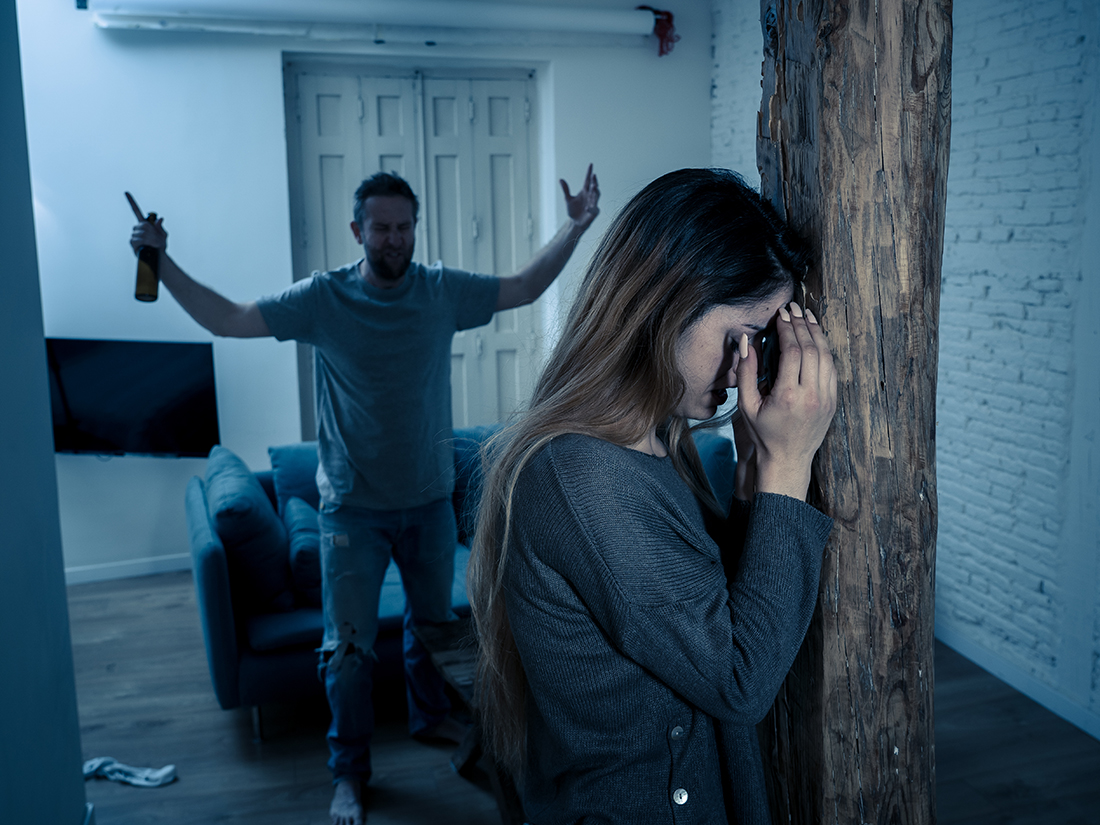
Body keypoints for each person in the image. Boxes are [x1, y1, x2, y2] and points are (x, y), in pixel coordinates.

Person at [128, 166, 600, 825]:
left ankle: (429, 718)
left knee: (431, 631)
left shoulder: (441, 291)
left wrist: (576, 226)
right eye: (381, 228)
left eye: (404, 227)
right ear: (357, 230)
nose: (394, 238)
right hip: (351, 511)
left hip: (430, 504)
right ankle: (348, 771)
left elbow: (524, 286)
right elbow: (229, 319)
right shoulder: (322, 299)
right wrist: (161, 260)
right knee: (347, 652)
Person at [468, 167, 837, 824]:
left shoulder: (657, 438)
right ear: (667, 305)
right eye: (738, 336)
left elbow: (704, 608)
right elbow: (738, 678)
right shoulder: (583, 475)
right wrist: (790, 464)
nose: (744, 368)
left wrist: (754, 474)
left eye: (757, 344)